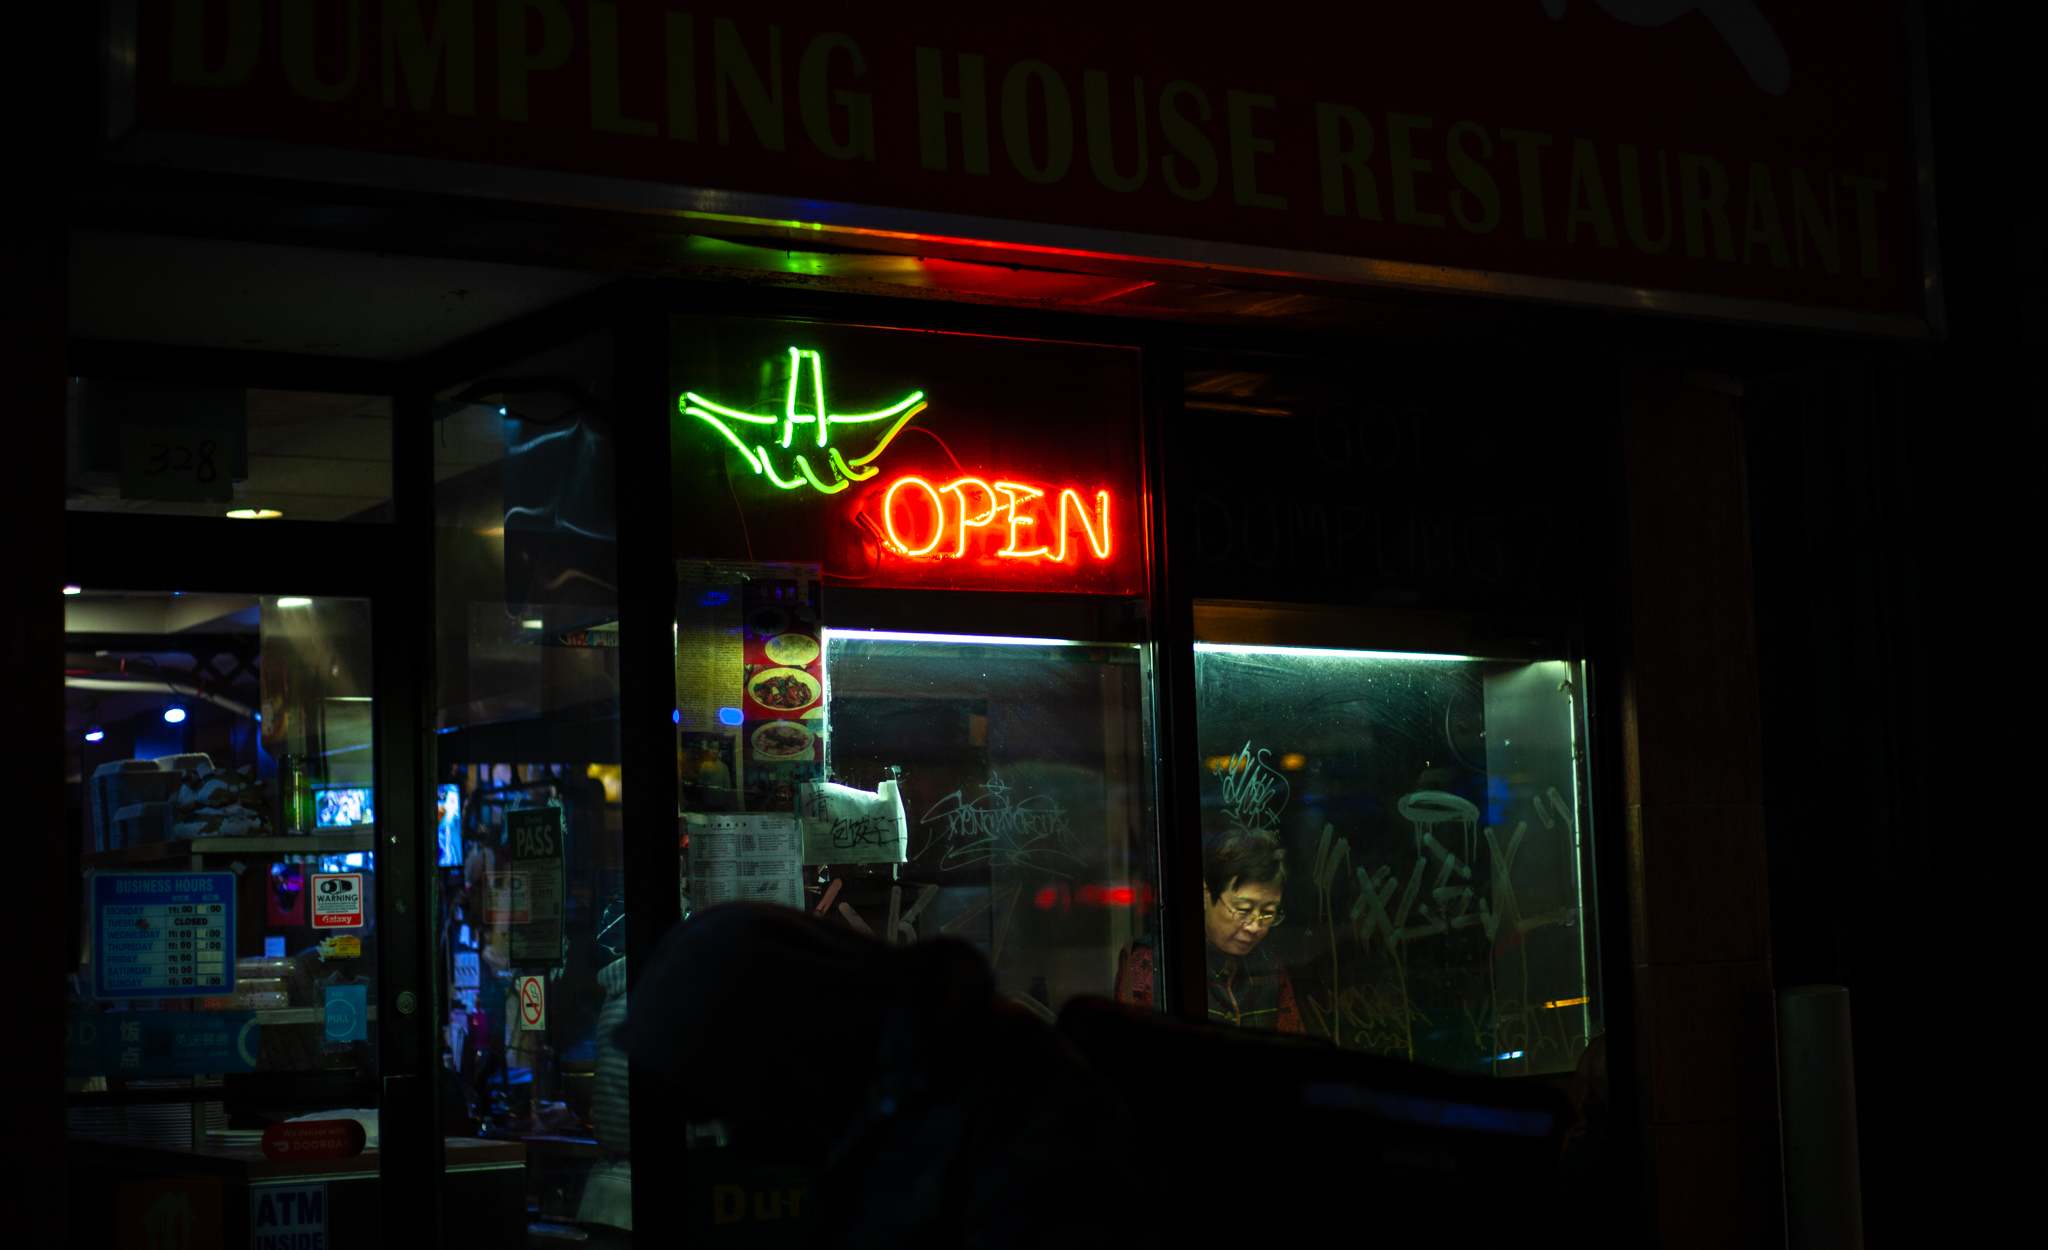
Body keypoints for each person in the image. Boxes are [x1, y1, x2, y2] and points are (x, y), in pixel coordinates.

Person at [620, 902, 1136, 1248]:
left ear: (784, 1050)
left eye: (730, 1101)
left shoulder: (1019, 1112)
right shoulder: (886, 1113)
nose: (737, 1135)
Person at [1115, 829, 1303, 1032]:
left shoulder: (1270, 968)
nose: (1255, 927)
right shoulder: (1151, 961)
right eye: (1243, 910)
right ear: (1206, 894)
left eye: (1268, 913)